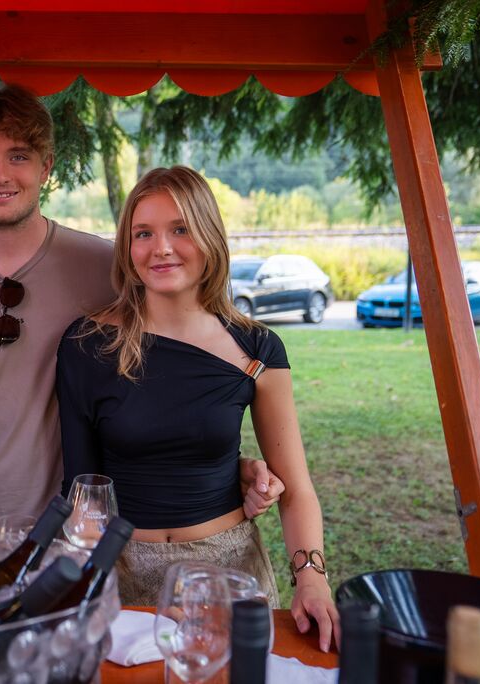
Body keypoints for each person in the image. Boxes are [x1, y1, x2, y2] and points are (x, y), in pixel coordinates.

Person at [0, 83, 282, 528]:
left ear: (46, 166)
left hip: (93, 537)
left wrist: (227, 469)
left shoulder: (111, 270)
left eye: (19, 156)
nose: (0, 174)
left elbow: (180, 379)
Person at [57, 166, 339, 651]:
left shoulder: (257, 350)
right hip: (123, 577)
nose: (161, 248)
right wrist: (88, 585)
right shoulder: (87, 345)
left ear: (209, 236)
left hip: (227, 573)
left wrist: (311, 577)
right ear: (127, 247)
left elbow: (296, 489)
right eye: (143, 233)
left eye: (180, 229)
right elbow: (83, 492)